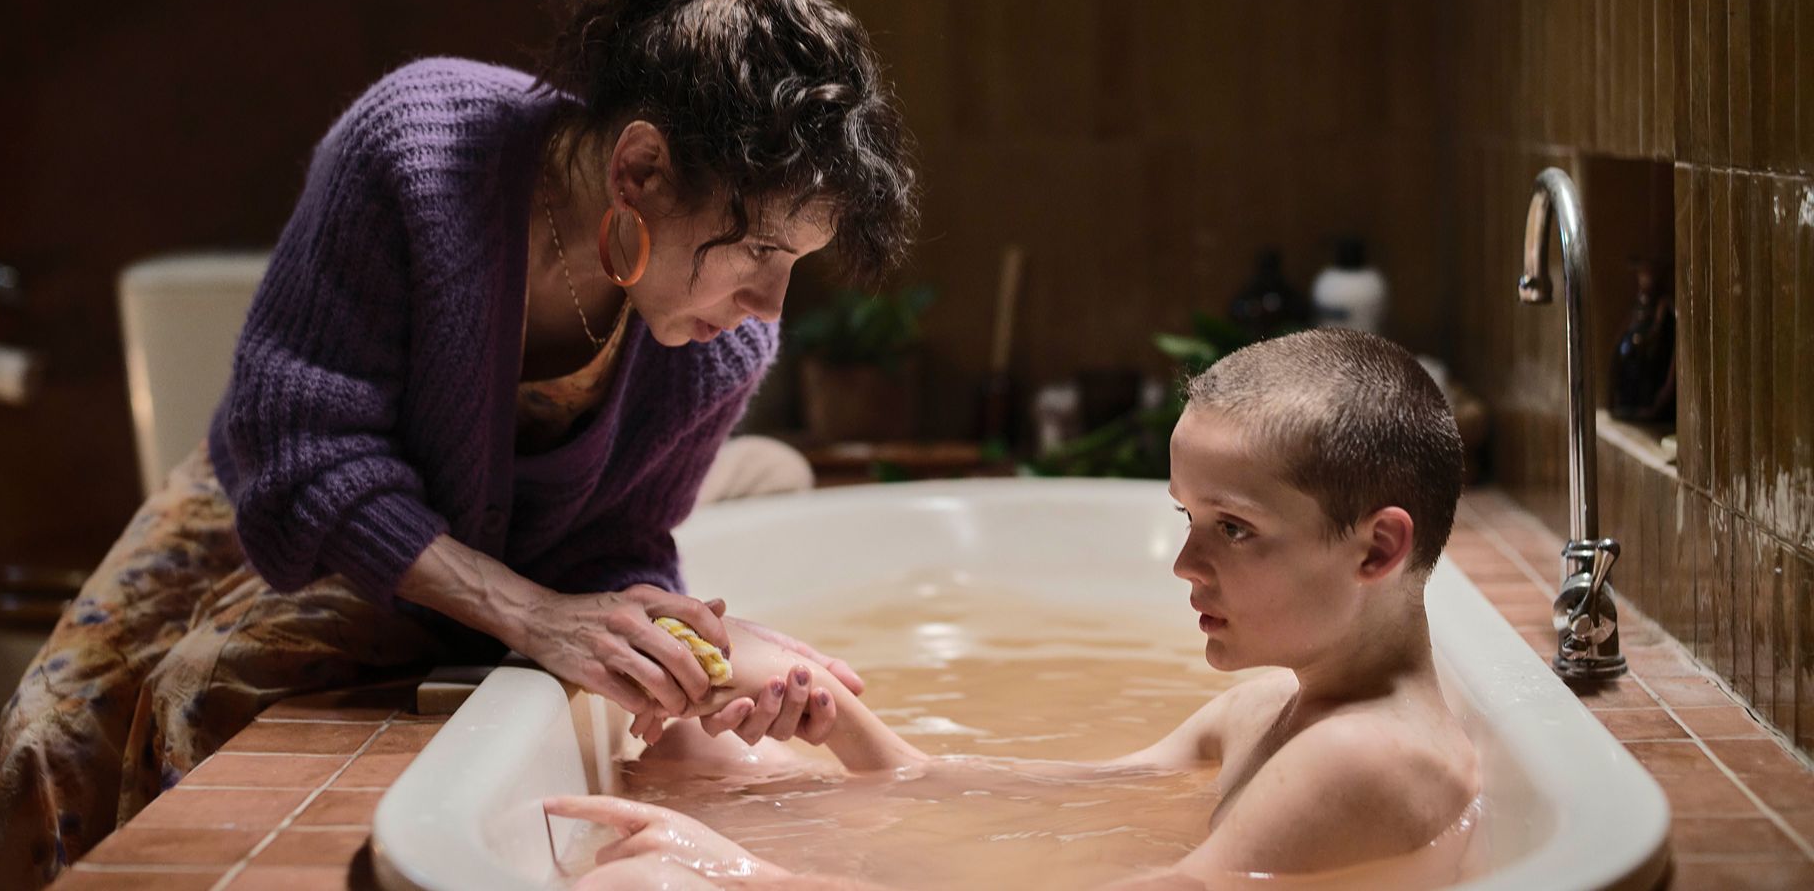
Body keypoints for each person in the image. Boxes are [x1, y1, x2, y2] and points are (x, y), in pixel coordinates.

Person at [0, 0, 916, 889]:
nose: (766, 307)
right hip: (302, 478)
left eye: (794, 267)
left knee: (208, 683)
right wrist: (531, 615)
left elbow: (616, 540)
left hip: (487, 551)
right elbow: (300, 455)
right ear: (640, 168)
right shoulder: (418, 153)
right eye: (756, 254)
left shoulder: (721, 343)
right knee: (51, 729)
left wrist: (694, 661)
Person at [554, 328, 1480, 888]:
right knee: (697, 754)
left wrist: (749, 877)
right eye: (1186, 520)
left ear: (1377, 548)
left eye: (1233, 530)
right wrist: (835, 722)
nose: (1186, 564)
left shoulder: (1364, 757)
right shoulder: (1275, 707)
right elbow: (1028, 794)